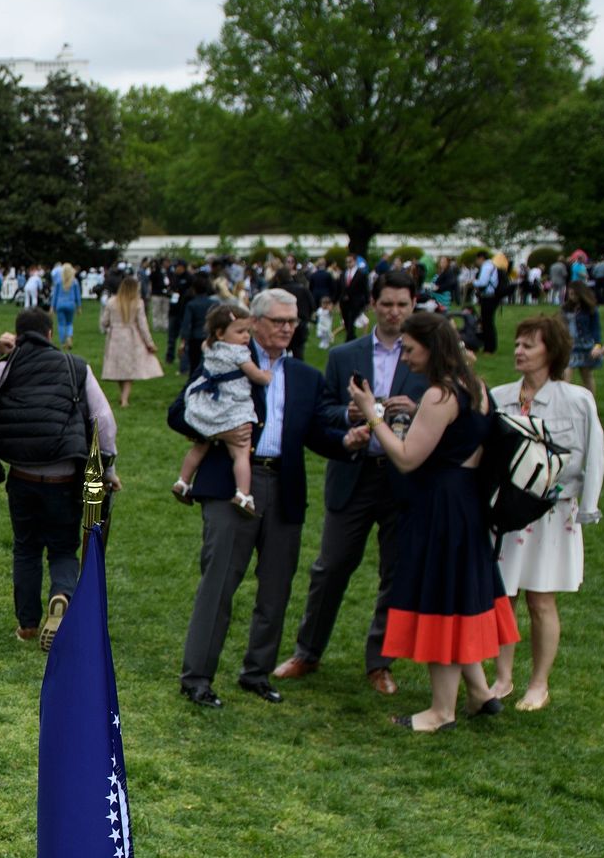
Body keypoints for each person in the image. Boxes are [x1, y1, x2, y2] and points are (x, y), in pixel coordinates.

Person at [169, 289, 362, 708]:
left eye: (293, 322)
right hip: (231, 485)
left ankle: (256, 673)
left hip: (284, 486)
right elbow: (178, 411)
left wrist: (348, 439)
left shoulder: (306, 377)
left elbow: (314, 434)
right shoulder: (229, 358)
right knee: (218, 582)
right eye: (279, 321)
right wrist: (219, 433)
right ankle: (197, 677)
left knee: (275, 588)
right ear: (254, 322)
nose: (288, 328)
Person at [348, 313, 518, 731]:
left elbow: (407, 458)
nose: (403, 357)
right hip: (465, 503)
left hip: (440, 507)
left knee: (440, 602)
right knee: (458, 599)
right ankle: (479, 693)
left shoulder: (440, 395)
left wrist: (373, 415)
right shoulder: (476, 387)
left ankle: (441, 711)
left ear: (431, 347)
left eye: (409, 348)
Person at [273, 273, 426, 693]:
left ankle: (380, 662)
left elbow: (445, 404)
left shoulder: (424, 355)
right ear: (373, 304)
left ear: (413, 305)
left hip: (403, 479)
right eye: (387, 304)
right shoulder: (345, 354)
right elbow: (323, 408)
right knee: (331, 566)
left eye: (402, 304)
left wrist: (414, 410)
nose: (395, 312)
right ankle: (308, 651)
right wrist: (350, 416)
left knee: (395, 571)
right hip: (354, 472)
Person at [0, 307, 120, 650]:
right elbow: (104, 420)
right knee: (63, 548)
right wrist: (107, 469)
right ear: (50, 335)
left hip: (22, 475)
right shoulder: (75, 366)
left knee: (26, 549)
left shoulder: (8, 368)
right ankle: (61, 596)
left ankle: (28, 625)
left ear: (18, 337)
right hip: (65, 478)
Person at [490, 316, 604, 712]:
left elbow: (594, 455)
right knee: (502, 596)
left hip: (552, 514)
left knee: (541, 600)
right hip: (505, 514)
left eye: (529, 345)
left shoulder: (575, 400)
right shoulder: (499, 396)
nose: (519, 351)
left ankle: (539, 684)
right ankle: (502, 678)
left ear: (551, 352)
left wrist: (587, 507)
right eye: (518, 344)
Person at [172, 304, 274, 517]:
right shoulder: (240, 353)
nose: (246, 336)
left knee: (200, 447)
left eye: (248, 331)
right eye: (240, 332)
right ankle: (243, 494)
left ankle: (182, 481)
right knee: (241, 452)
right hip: (231, 410)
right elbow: (255, 375)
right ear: (220, 332)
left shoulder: (209, 347)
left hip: (208, 408)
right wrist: (266, 376)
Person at [98, 276, 162, 407]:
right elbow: (143, 325)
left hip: (115, 337)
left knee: (119, 367)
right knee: (129, 369)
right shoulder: (137, 302)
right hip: (132, 337)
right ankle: (124, 398)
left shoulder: (112, 302)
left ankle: (123, 396)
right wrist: (149, 343)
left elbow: (104, 322)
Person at [563, 282, 602, 394]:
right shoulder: (566, 309)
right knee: (566, 376)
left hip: (586, 345)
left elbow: (596, 329)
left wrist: (597, 345)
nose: (572, 297)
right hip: (570, 345)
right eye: (570, 294)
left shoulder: (591, 309)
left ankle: (591, 405)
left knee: (587, 376)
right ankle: (564, 405)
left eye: (574, 294)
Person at [176, 274, 218, 376]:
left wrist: (183, 341)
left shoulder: (191, 304)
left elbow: (186, 324)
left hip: (195, 337)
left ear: (194, 289)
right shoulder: (214, 303)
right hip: (211, 336)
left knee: (194, 364)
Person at [51, 265, 83, 349]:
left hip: (60, 304)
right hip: (71, 304)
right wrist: (79, 306)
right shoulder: (75, 281)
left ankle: (62, 342)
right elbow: (78, 295)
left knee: (61, 324)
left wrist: (52, 307)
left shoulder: (58, 281)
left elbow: (55, 295)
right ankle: (69, 336)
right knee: (69, 323)